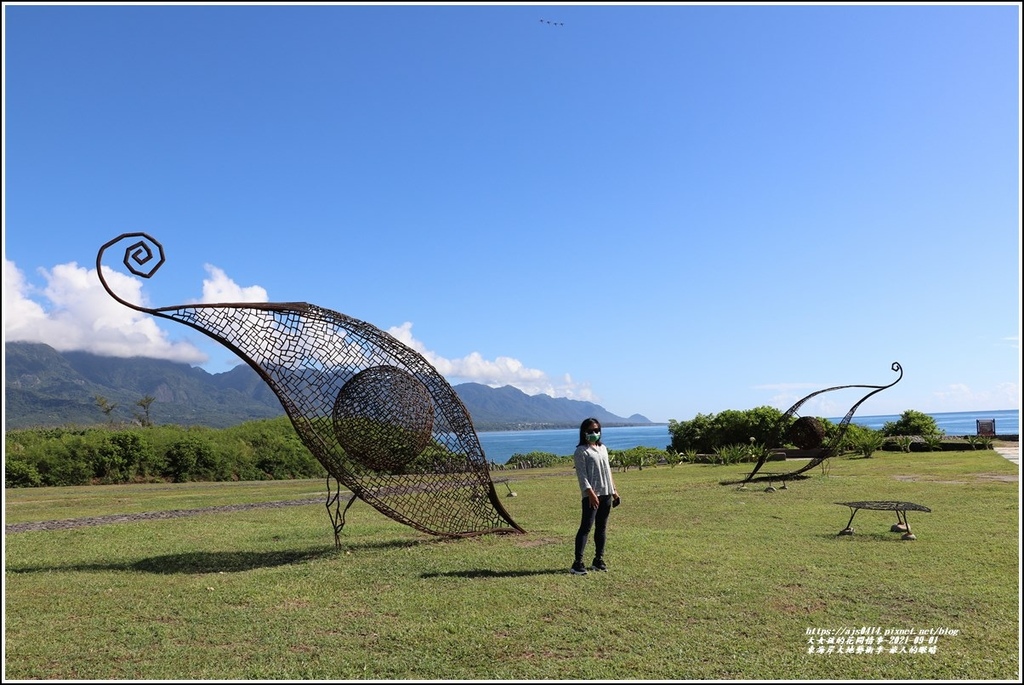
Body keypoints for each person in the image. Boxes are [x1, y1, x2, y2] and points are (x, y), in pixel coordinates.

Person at [570, 417, 619, 575]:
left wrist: (614, 491)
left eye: (597, 430)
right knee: (586, 527)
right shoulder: (581, 451)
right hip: (592, 496)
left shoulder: (602, 448)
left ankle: (598, 559)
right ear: (584, 432)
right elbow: (582, 476)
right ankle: (577, 563)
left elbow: (608, 471)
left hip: (606, 493)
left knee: (602, 528)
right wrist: (590, 493)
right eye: (590, 431)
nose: (594, 433)